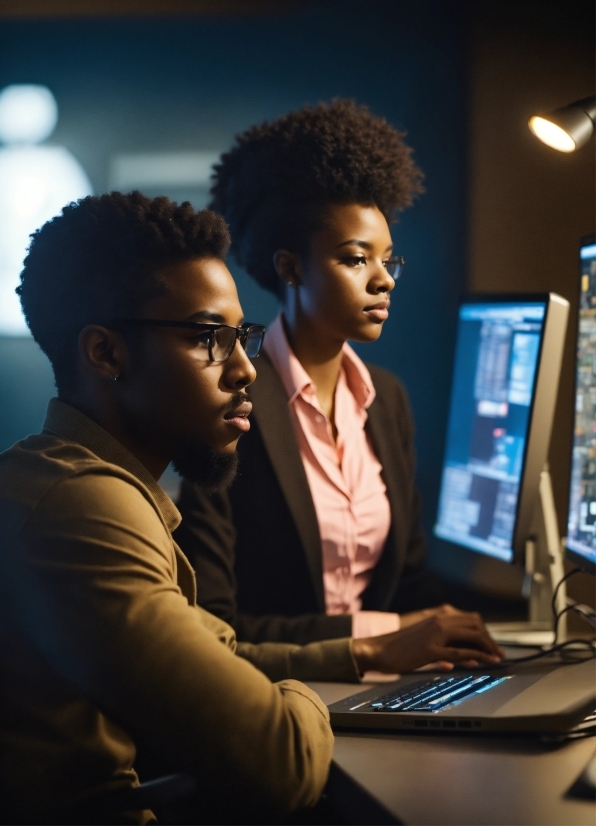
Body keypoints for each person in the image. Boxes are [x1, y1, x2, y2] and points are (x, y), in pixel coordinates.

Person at [0, 191, 502, 825]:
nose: (246, 370)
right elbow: (284, 764)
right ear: (105, 353)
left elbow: (223, 653)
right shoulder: (82, 510)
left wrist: (368, 653)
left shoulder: (75, 481)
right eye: (211, 338)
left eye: (243, 337)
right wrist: (302, 701)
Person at [174, 99, 459, 645]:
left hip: (382, 688)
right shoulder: (231, 396)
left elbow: (410, 582)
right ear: (290, 267)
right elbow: (214, 626)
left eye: (388, 259)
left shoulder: (386, 400)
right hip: (275, 695)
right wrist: (381, 634)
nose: (385, 281)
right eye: (356, 259)